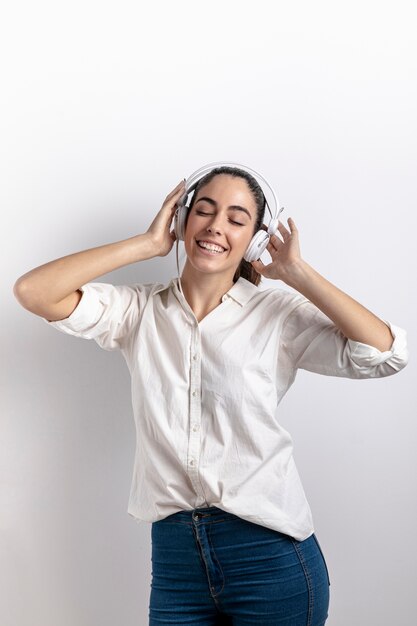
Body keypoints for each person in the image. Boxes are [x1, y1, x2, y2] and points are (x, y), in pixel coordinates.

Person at [13, 165, 408, 625]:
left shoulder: (277, 315)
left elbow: (383, 354)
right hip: (176, 564)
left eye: (237, 219)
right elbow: (33, 292)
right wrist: (146, 244)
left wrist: (296, 272)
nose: (216, 225)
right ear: (182, 221)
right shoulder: (137, 310)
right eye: (204, 210)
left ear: (256, 239)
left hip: (270, 556)